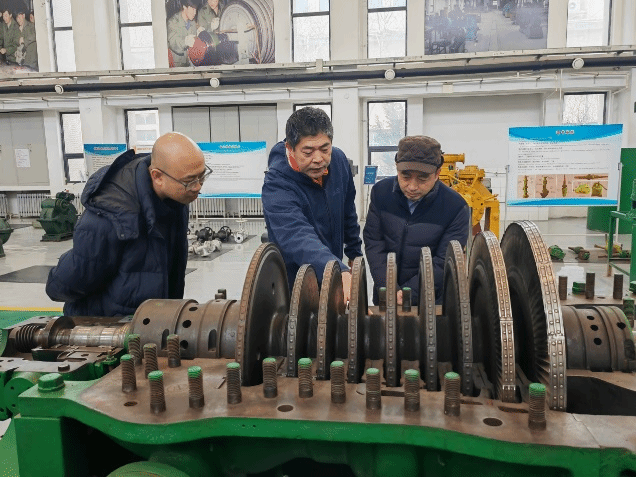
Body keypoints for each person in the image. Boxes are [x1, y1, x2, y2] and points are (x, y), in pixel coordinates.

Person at [46, 132, 211, 316]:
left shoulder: (176, 199)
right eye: (190, 181)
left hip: (151, 322)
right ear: (157, 176)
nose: (198, 187)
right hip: (104, 327)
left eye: (202, 176)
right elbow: (65, 284)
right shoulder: (110, 214)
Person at [262, 107, 362, 302]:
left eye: (325, 149)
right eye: (307, 152)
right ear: (290, 148)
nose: (318, 159)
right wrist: (335, 269)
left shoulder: (339, 161)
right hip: (296, 280)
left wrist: (354, 253)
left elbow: (348, 211)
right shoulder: (276, 184)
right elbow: (295, 235)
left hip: (332, 269)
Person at [363, 135, 469, 307]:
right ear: (397, 168)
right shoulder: (381, 193)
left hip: (429, 302)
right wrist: (388, 287)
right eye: (405, 176)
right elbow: (374, 241)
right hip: (386, 296)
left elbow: (444, 260)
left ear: (437, 174)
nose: (412, 186)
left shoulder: (455, 207)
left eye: (422, 178)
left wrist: (408, 294)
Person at [167, 0, 199, 67]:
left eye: (196, 9)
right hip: (176, 63)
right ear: (184, 7)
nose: (195, 12)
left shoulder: (193, 23)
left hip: (190, 62)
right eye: (193, 9)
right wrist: (185, 42)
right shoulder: (173, 22)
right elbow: (173, 42)